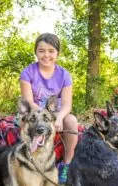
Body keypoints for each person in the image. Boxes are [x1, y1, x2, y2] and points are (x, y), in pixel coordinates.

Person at [20, 33, 78, 184]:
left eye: (51, 51)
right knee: (28, 124)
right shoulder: (28, 72)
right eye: (41, 51)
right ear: (36, 52)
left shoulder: (65, 75)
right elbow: (28, 101)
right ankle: (28, 164)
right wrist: (42, 117)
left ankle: (66, 165)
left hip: (54, 113)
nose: (46, 55)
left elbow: (66, 104)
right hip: (34, 112)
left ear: (57, 53)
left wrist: (58, 119)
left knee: (71, 120)